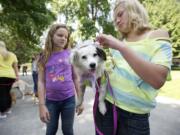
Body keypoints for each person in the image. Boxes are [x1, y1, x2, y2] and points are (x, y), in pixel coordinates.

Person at [95, 0, 172, 135]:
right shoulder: (117, 45)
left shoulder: (158, 35)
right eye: (115, 20)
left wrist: (120, 46)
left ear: (134, 10)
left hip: (134, 118)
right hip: (105, 108)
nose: (117, 21)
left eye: (120, 15)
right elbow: (107, 79)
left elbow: (158, 80)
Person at [38, 23, 83, 135]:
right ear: (51, 35)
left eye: (66, 37)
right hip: (51, 101)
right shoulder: (44, 56)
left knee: (68, 131)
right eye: (60, 35)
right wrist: (42, 105)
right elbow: (41, 82)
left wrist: (80, 100)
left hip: (69, 100)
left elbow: (76, 78)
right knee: (50, 130)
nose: (63, 38)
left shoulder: (71, 55)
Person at [0, 40, 19, 118]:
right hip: (11, 76)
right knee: (7, 93)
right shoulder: (12, 54)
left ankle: (2, 112)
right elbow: (15, 66)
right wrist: (17, 76)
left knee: (2, 94)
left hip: (1, 76)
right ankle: (8, 109)